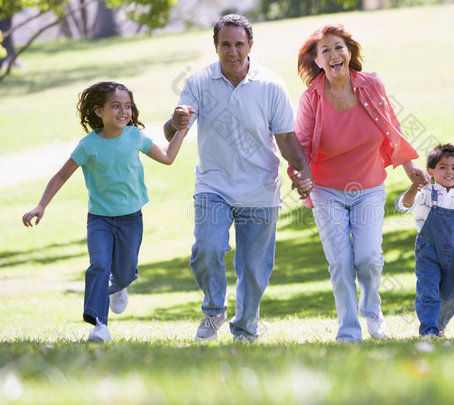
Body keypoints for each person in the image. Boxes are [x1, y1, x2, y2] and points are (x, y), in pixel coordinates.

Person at [164, 14, 313, 343]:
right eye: (225, 45)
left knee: (255, 268)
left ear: (251, 45)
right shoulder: (199, 82)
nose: (232, 51)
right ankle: (214, 309)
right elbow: (174, 127)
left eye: (239, 44)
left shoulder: (270, 84)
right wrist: (174, 123)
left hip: (260, 187)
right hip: (213, 185)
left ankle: (245, 329)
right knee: (207, 248)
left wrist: (303, 171)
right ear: (216, 46)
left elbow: (287, 139)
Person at [22, 81, 193, 342]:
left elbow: (168, 157)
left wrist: (182, 129)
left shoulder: (135, 136)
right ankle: (99, 324)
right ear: (99, 111)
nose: (123, 111)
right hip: (100, 220)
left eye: (127, 106)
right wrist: (41, 205)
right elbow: (60, 176)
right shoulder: (88, 146)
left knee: (124, 273)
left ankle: (120, 286)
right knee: (99, 265)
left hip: (131, 219)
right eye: (115, 106)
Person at [293, 24, 428, 342]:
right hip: (327, 190)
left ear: (350, 52)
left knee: (368, 258)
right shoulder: (312, 97)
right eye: (324, 50)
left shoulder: (371, 85)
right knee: (340, 262)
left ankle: (372, 309)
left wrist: (409, 167)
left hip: (368, 186)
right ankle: (349, 330)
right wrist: (300, 177)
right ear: (318, 61)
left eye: (338, 47)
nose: (333, 54)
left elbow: (390, 125)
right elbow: (300, 144)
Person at [395, 143, 454, 337]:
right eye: (442, 167)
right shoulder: (425, 193)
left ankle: (440, 324)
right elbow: (403, 205)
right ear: (431, 171)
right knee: (429, 291)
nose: (448, 172)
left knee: (449, 295)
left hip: (453, 253)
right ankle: (429, 330)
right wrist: (415, 185)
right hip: (428, 252)